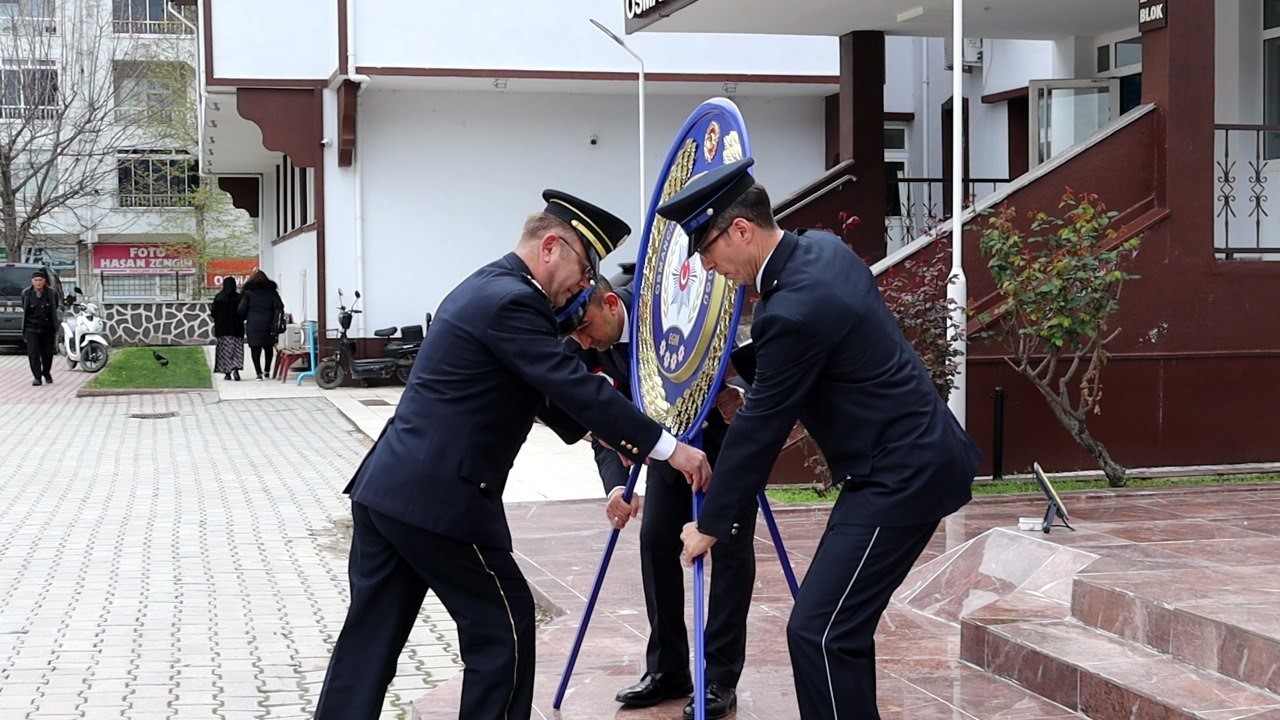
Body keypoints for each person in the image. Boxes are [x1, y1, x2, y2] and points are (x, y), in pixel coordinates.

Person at [313, 190, 712, 720]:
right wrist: (670, 449)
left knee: (368, 645)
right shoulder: (513, 300)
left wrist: (610, 435)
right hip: (440, 502)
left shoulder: (490, 287)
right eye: (584, 267)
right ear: (551, 246)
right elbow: (572, 386)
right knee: (504, 629)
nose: (586, 284)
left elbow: (547, 396)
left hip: (390, 492)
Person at [665, 159, 982, 720]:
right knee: (837, 630)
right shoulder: (822, 250)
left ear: (741, 230)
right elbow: (818, 349)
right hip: (901, 463)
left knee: (819, 633)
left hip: (901, 474)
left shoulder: (790, 310)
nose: (707, 266)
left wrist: (710, 524)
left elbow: (761, 428)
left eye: (708, 250)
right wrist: (732, 377)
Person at [542, 276, 753, 720]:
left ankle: (719, 678)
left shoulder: (671, 316)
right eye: (576, 334)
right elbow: (598, 423)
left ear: (614, 304)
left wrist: (739, 396)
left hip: (725, 449)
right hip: (666, 457)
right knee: (656, 542)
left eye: (586, 326)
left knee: (729, 553)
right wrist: (618, 484)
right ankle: (669, 670)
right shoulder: (588, 344)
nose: (584, 340)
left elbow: (750, 372)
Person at [237, 269, 284, 380]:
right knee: (268, 347)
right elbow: (280, 306)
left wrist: (245, 316)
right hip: (269, 323)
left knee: (255, 348)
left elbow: (241, 310)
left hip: (253, 324)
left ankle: (258, 373)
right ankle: (267, 370)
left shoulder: (248, 293)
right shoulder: (272, 292)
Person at [21, 270, 57, 386]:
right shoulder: (26, 293)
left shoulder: (51, 293)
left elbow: (54, 307)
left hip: (47, 328)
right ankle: (37, 377)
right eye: (35, 280)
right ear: (32, 281)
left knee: (47, 354)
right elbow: (25, 307)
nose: (38, 283)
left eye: (40, 280)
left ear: (44, 281)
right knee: (33, 353)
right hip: (31, 328)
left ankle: (46, 373)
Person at [210, 276, 244, 381]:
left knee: (224, 351)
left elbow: (213, 313)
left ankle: (227, 373)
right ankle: (236, 369)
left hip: (223, 330)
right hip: (236, 329)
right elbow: (242, 313)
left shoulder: (219, 297)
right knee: (236, 350)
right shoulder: (239, 298)